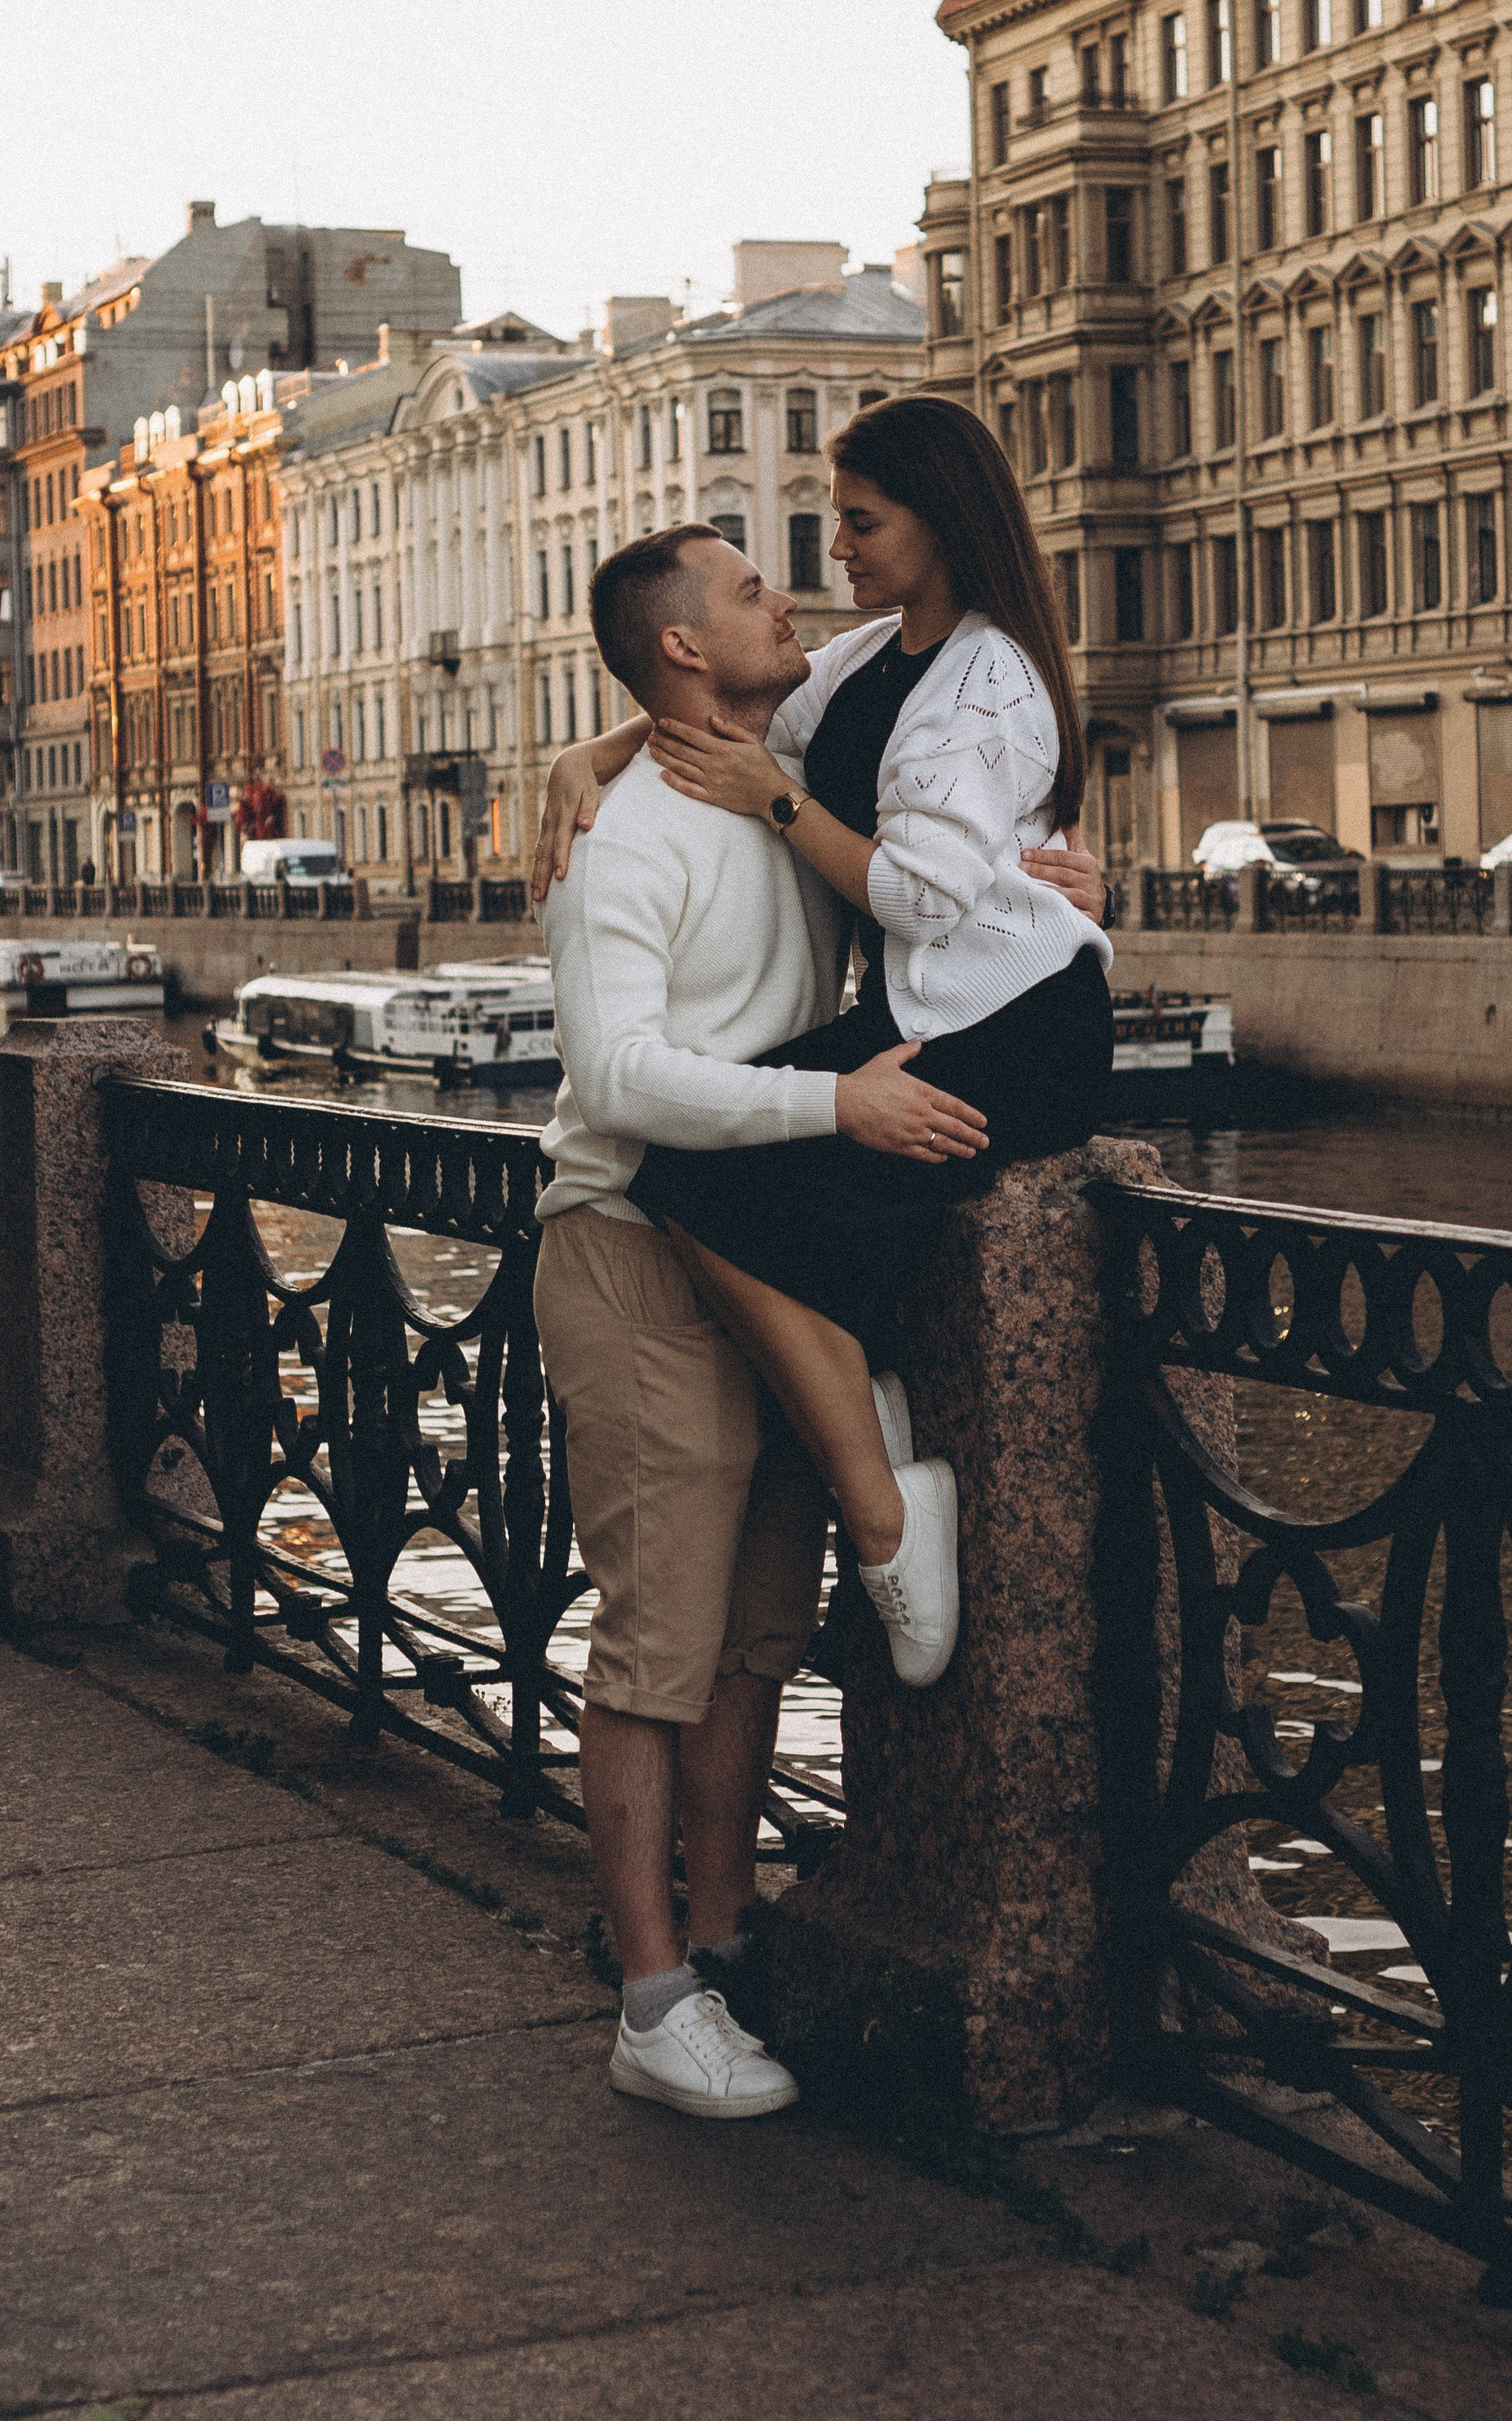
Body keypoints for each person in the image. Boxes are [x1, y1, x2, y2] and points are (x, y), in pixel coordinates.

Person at [533, 520, 1102, 2122]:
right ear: (683, 649)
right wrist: (833, 1106)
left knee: (757, 1641)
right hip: (637, 1250)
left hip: (770, 1245)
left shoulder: (784, 769)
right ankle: (652, 2003)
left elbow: (937, 850)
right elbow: (615, 1079)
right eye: (746, 589)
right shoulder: (621, 838)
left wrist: (1056, 882)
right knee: (655, 1652)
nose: (788, 589)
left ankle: (727, 1940)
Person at [535, 393, 1113, 1701]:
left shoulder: (987, 678)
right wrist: (594, 748)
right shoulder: (869, 661)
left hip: (1015, 1030)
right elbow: (732, 723)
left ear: (940, 523)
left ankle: (886, 1514)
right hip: (933, 1015)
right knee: (698, 1172)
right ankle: (877, 1442)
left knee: (707, 1182)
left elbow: (916, 896)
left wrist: (783, 807)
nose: (835, 548)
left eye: (862, 522)